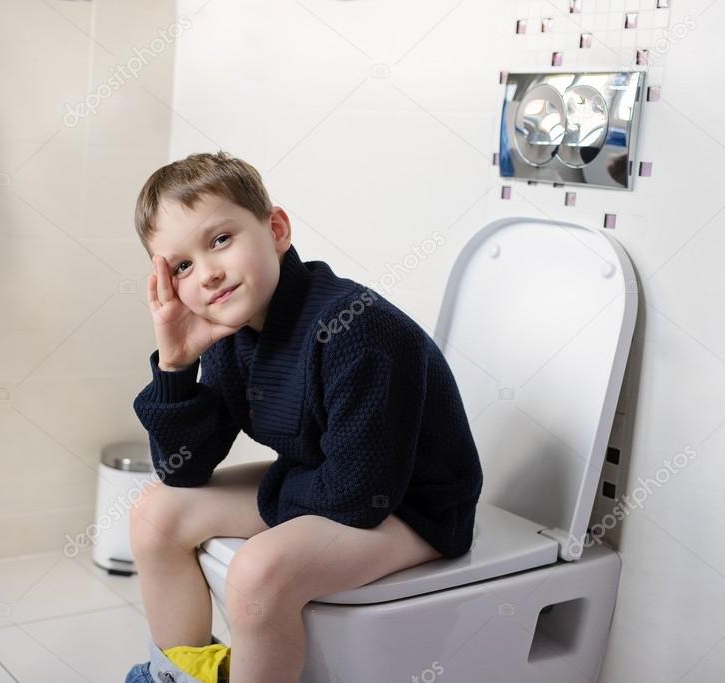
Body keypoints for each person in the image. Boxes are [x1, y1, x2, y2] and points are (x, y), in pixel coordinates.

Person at [124, 150, 483, 683]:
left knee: (258, 573)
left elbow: (359, 500)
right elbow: (183, 469)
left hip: (414, 506)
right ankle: (183, 676)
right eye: (182, 266)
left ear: (276, 229)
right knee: (154, 515)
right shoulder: (232, 332)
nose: (209, 273)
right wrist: (177, 364)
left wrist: (272, 494)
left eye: (220, 240)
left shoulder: (359, 331)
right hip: (325, 477)